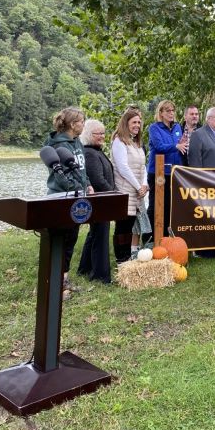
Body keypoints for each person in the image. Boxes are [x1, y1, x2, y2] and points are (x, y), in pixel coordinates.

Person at [43, 107, 94, 295]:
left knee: (71, 239)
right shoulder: (57, 145)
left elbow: (81, 169)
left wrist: (87, 184)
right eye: (82, 121)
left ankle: (63, 280)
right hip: (61, 197)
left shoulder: (77, 142)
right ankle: (53, 282)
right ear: (73, 124)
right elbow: (61, 177)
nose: (84, 124)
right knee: (60, 241)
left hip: (78, 196)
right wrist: (75, 189)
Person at [77, 119, 114, 284]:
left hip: (103, 200)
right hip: (100, 201)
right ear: (88, 134)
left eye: (103, 133)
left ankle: (84, 268)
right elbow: (98, 180)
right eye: (98, 133)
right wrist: (113, 193)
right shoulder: (90, 153)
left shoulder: (96, 150)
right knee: (100, 236)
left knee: (94, 234)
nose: (102, 136)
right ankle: (100, 274)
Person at [112, 108, 150, 262]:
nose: (137, 125)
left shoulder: (136, 143)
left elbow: (143, 166)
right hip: (125, 190)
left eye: (139, 122)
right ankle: (121, 259)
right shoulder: (118, 141)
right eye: (134, 122)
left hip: (137, 192)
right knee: (123, 227)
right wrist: (138, 186)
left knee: (131, 226)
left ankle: (129, 257)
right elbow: (123, 167)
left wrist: (145, 184)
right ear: (126, 123)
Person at [147, 100, 185, 238]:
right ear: (161, 113)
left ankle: (166, 237)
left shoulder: (177, 128)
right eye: (168, 111)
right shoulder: (154, 128)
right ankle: (151, 237)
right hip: (158, 173)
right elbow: (159, 147)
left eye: (173, 110)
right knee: (156, 206)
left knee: (170, 206)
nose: (171, 113)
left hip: (174, 173)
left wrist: (184, 146)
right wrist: (176, 146)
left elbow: (181, 146)